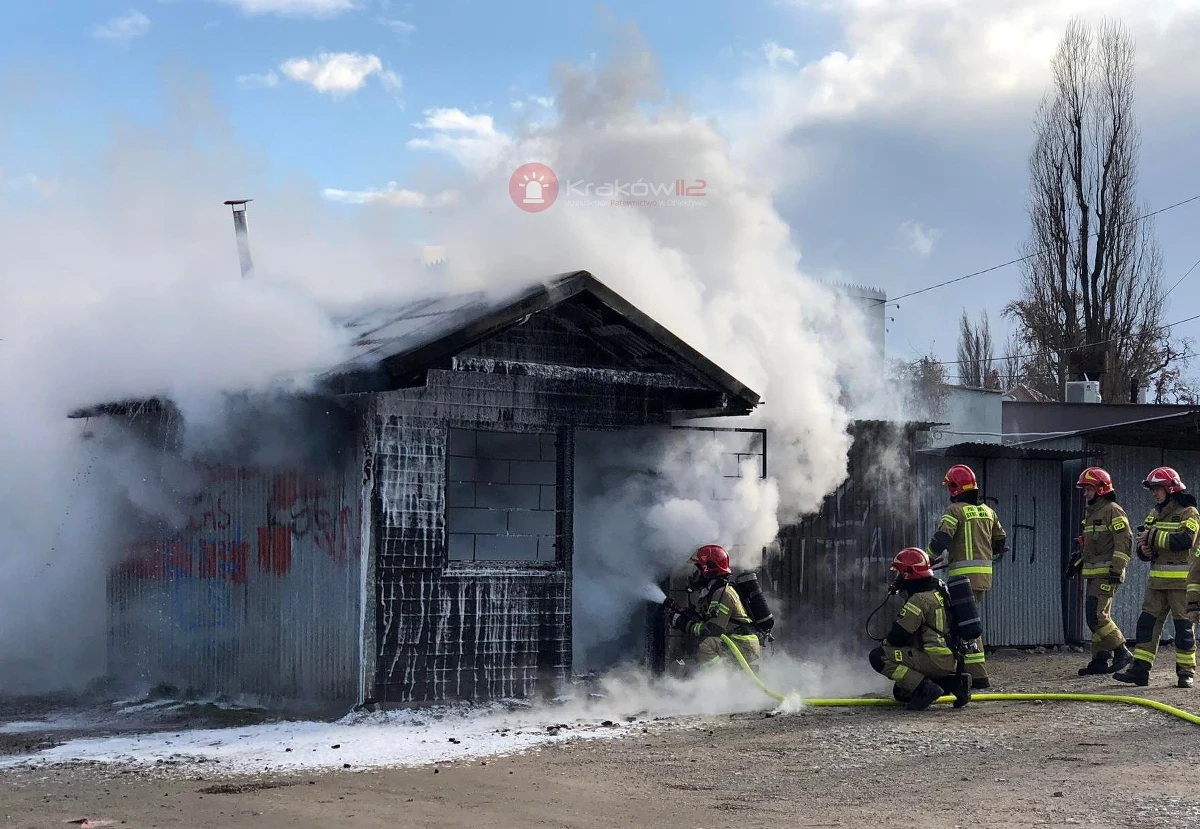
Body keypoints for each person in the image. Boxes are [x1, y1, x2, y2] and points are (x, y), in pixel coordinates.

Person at [1114, 467, 1200, 689]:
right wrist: (1144, 550)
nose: (1154, 493)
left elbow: (1185, 540)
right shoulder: (1154, 513)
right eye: (1153, 489)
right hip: (1156, 583)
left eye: (1157, 489)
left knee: (1183, 629)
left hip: (1181, 583)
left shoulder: (1189, 513)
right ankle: (1140, 670)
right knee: (1147, 625)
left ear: (1170, 489)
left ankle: (1185, 672)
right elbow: (1145, 544)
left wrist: (1152, 536)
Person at [926, 464, 1008, 689]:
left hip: (962, 579)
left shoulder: (954, 511)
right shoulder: (988, 511)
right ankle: (970, 671)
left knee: (963, 623)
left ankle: (977, 675)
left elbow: (941, 539)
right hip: (983, 578)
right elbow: (1000, 540)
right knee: (968, 621)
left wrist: (925, 560)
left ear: (956, 488)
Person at [869, 547, 970, 711]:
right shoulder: (939, 588)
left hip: (933, 659)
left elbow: (898, 637)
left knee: (879, 656)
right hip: (951, 658)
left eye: (901, 573)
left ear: (908, 574)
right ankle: (955, 684)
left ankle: (925, 689)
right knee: (902, 693)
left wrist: (885, 643)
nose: (899, 577)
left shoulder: (919, 601)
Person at [1065, 467, 1134, 676]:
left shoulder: (1113, 510)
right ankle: (1100, 659)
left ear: (1101, 489)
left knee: (1096, 616)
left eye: (1088, 489)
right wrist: (1076, 565)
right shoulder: (1092, 514)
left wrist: (1116, 569)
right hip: (1094, 574)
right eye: (1084, 490)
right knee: (1097, 615)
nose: (1085, 494)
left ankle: (1121, 650)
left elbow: (1124, 542)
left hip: (1107, 574)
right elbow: (1090, 549)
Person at [664, 544, 762, 671]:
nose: (694, 576)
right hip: (734, 641)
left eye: (697, 571)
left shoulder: (723, 594)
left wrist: (684, 623)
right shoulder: (712, 593)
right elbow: (709, 622)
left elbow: (712, 630)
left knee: (704, 644)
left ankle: (717, 677)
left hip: (742, 643)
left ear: (708, 570)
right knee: (697, 645)